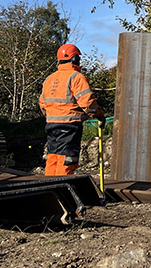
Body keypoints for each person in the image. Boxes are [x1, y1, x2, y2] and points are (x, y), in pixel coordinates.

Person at [38, 43, 105, 176]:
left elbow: (42, 103)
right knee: (67, 160)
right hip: (69, 126)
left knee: (53, 158)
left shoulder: (49, 79)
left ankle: (49, 189)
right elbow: (87, 103)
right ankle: (62, 189)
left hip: (51, 126)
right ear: (74, 59)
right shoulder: (76, 77)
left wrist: (52, 116)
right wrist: (99, 115)